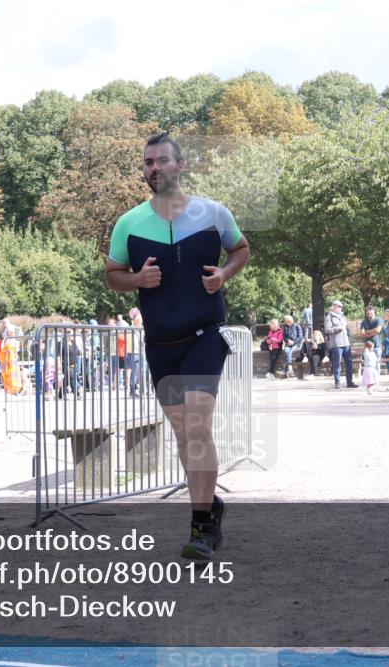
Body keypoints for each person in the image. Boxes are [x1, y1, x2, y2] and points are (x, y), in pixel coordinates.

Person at [105, 132, 250, 560]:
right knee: (184, 433)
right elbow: (113, 275)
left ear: (180, 165)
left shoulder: (214, 213)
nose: (154, 168)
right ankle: (210, 506)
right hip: (160, 344)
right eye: (148, 162)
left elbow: (241, 250)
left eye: (162, 161)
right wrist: (136, 280)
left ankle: (201, 528)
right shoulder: (129, 223)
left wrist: (223, 276)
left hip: (205, 337)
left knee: (198, 424)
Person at [324, 300, 357, 389]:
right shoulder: (329, 317)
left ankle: (349, 382)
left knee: (349, 364)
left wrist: (350, 339)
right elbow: (327, 329)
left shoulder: (342, 316)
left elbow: (346, 329)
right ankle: (337, 382)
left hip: (346, 343)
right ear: (334, 307)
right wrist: (338, 328)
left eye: (341, 307)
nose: (341, 308)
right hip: (337, 344)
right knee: (337, 364)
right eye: (339, 307)